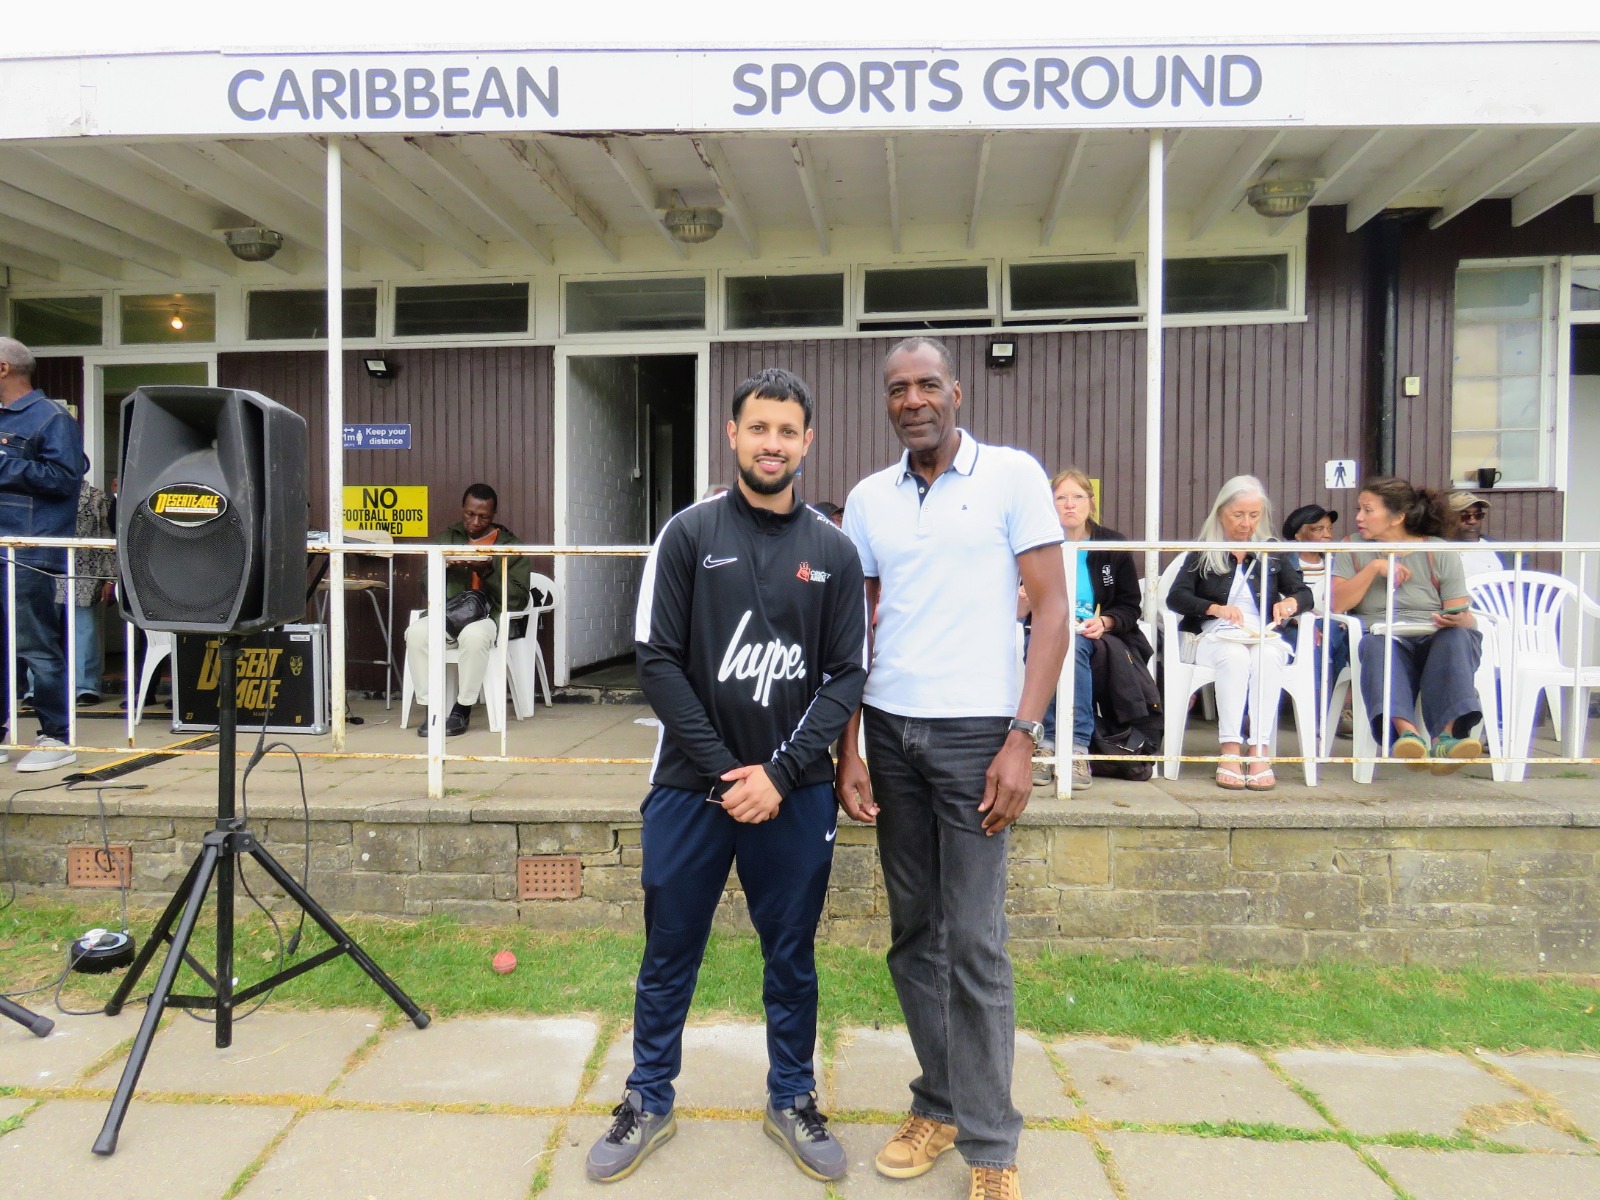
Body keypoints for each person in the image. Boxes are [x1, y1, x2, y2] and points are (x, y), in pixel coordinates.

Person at [588, 368, 866, 1185]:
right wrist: (725, 775)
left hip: (796, 792)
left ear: (807, 442)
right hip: (689, 787)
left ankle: (792, 1097)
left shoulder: (834, 551)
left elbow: (846, 676)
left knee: (792, 954)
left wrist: (778, 775)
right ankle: (648, 1098)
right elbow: (657, 664)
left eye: (788, 431)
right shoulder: (688, 534)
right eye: (759, 428)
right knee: (669, 950)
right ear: (733, 434)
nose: (772, 443)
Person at [837, 336, 1067, 1200]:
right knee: (913, 936)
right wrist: (848, 743)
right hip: (891, 734)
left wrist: (1023, 736)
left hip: (978, 738)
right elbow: (854, 629)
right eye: (897, 388)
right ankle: (937, 1101)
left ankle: (992, 1148)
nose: (912, 399)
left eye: (927, 383)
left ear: (957, 393)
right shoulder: (868, 500)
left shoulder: (1012, 477)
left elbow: (1050, 610)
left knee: (973, 941)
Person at [1166, 476, 1312, 791]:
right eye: (1238, 515)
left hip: (1261, 633)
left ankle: (1259, 750)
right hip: (1214, 634)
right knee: (1233, 656)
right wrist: (1214, 609)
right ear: (1221, 513)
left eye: (1254, 516)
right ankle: (1230, 749)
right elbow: (1176, 597)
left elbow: (1305, 594)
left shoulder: (1271, 551)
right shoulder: (1205, 551)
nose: (1246, 524)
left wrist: (1290, 603)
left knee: (1268, 656)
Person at [1332, 476, 1484, 774]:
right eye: (1359, 509)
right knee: (1377, 645)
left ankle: (1446, 738)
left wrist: (1459, 618)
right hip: (1383, 636)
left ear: (1397, 517)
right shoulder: (1352, 546)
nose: (1359, 518)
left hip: (1435, 637)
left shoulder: (1437, 549)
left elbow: (1460, 609)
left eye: (1368, 510)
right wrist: (1376, 567)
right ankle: (1407, 735)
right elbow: (1338, 604)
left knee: (1456, 638)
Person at [1019, 468, 1150, 790]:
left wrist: (1105, 621)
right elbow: (1017, 605)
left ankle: (1074, 748)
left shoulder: (1111, 544)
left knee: (1071, 646)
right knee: (1045, 643)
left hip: (1093, 635)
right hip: (1041, 628)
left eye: (1077, 497)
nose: (1069, 505)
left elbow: (1131, 605)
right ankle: (1047, 745)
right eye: (1061, 498)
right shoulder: (1037, 543)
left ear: (1091, 503)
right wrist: (1023, 600)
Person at [0, 337, 88, 772]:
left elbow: (66, 478)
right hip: (5, 546)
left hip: (29, 548)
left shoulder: (50, 417)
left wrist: (3, 463)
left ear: (3, 369)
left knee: (35, 645)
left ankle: (57, 736)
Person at [403, 483, 529, 737]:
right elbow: (426, 587)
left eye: (483, 516)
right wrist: (446, 565)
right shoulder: (447, 538)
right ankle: (432, 709)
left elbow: (517, 599)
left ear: (494, 514)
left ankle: (462, 709)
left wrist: (487, 571)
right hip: (449, 614)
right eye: (470, 514)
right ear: (462, 509)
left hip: (487, 615)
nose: (475, 521)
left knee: (474, 637)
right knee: (416, 633)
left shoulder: (510, 545)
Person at [1282, 503, 1351, 737]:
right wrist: (1302, 621)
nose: (1327, 535)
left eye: (1329, 529)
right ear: (1298, 535)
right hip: (1292, 625)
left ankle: (1337, 709)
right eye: (1318, 529)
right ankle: (1321, 714)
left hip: (1331, 623)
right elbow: (1276, 598)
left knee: (1348, 636)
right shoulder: (1284, 562)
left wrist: (1345, 616)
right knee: (1316, 641)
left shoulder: (1336, 562)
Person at [61, 480, 115, 705]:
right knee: (45, 633)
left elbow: (106, 537)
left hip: (85, 572)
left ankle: (86, 687)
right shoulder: (40, 491)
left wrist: (109, 577)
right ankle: (38, 690)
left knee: (85, 631)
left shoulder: (95, 497)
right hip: (44, 570)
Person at [1447, 492, 1504, 577]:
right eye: (1465, 516)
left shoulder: (1504, 550)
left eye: (1478, 515)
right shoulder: (1440, 550)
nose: (1473, 521)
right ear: (1449, 518)